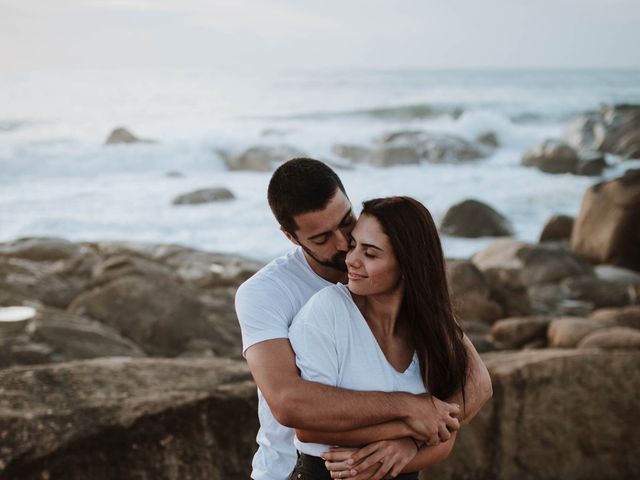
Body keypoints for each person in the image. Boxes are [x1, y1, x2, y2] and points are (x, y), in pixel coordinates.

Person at [235, 158, 492, 480]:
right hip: (290, 469)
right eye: (321, 238)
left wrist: (409, 443)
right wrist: (409, 408)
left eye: (346, 222)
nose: (343, 245)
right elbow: (289, 403)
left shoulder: (389, 281)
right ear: (291, 237)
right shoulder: (266, 293)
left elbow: (477, 383)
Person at [288, 196, 470, 480]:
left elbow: (445, 435)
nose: (351, 260)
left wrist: (408, 447)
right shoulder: (328, 310)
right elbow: (310, 427)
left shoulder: (433, 329)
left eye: (370, 254)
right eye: (353, 245)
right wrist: (412, 424)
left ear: (408, 264)